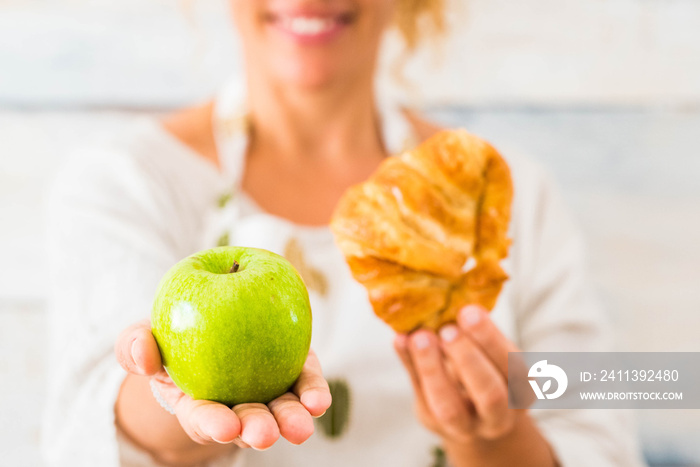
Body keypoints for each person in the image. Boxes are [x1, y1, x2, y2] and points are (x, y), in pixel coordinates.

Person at [42, 1, 644, 466]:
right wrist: (173, 397)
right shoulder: (127, 182)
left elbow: (607, 420)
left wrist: (494, 433)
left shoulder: (504, 194)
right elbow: (82, 432)